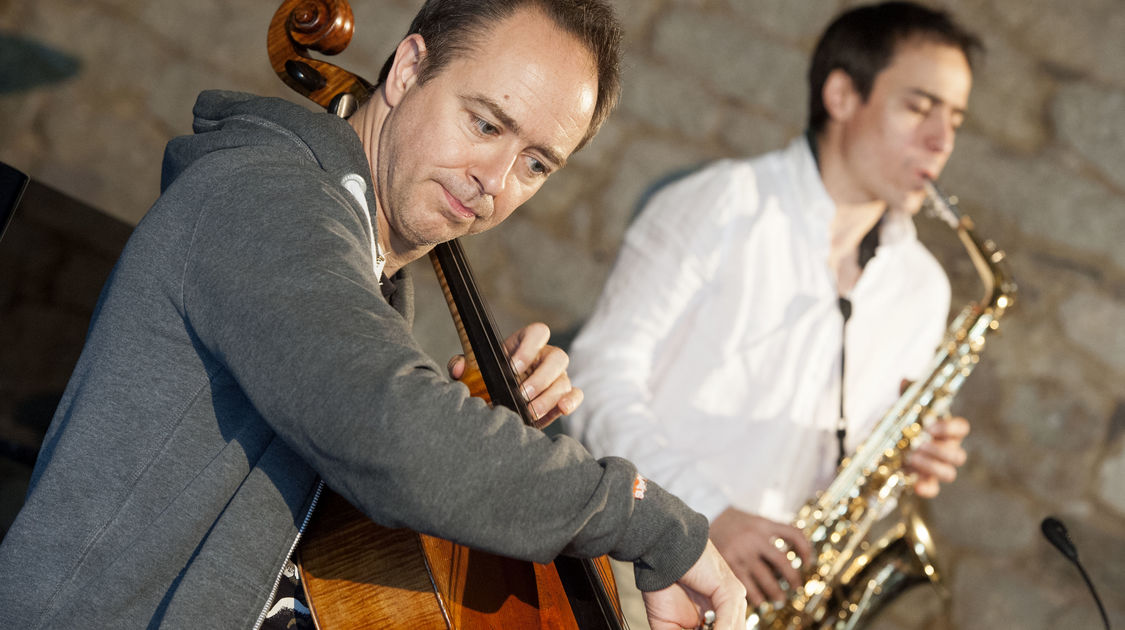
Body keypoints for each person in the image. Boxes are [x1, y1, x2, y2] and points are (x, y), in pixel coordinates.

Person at [0, 1, 747, 628]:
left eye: (535, 164)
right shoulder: (264, 196)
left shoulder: (373, 284)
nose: (493, 181)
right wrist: (645, 518)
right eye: (486, 124)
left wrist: (481, 420)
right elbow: (390, 432)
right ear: (408, 68)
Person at [566, 0, 980, 621]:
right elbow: (595, 380)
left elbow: (848, 481)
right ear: (841, 95)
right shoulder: (720, 203)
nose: (941, 140)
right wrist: (704, 519)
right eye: (919, 106)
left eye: (954, 119)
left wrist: (900, 455)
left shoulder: (923, 290)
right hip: (629, 573)